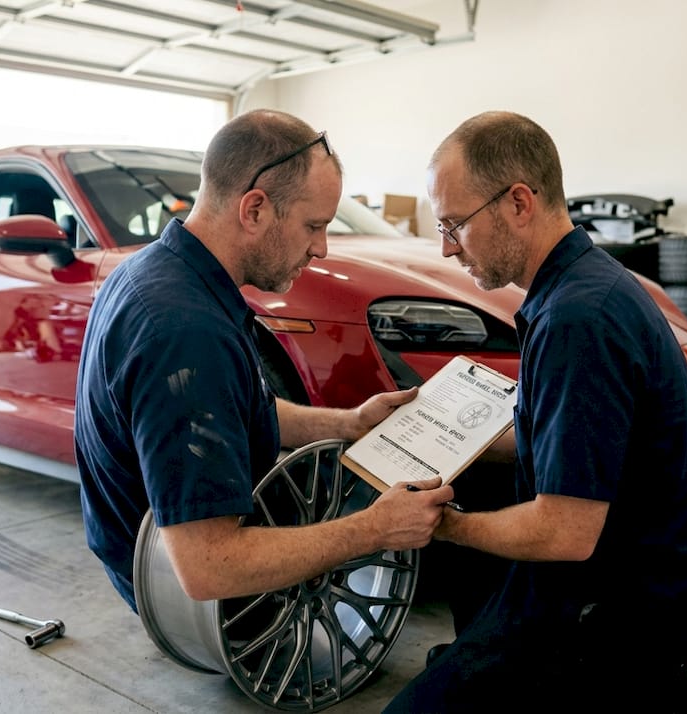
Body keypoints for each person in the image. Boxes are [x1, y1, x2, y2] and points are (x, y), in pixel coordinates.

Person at [386, 111, 687, 712]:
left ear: (519, 202)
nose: (444, 246)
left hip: (622, 615)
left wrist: (442, 525)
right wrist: (430, 432)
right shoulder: (575, 287)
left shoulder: (580, 319)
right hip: (611, 579)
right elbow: (551, 434)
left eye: (454, 224)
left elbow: (564, 533)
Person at [74, 109, 454, 609]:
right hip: (196, 603)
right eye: (313, 226)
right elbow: (211, 568)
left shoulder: (156, 271)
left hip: (149, 558)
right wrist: (374, 529)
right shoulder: (187, 333)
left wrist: (350, 424)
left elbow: (232, 409)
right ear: (253, 210)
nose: (320, 248)